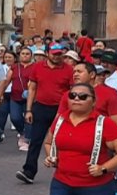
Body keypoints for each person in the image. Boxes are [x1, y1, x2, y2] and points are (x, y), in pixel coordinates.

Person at [17, 44, 75, 185]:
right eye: (54, 54)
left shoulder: (69, 70)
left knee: (63, 141)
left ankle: (67, 172)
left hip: (61, 109)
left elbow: (73, 91)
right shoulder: (38, 67)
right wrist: (29, 110)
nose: (57, 56)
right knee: (36, 140)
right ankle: (29, 171)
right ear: (48, 53)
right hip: (41, 107)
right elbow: (32, 89)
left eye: (59, 54)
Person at [4, 47, 33, 151]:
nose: (25, 56)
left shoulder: (35, 67)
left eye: (27, 54)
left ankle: (27, 140)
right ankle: (22, 132)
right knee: (14, 118)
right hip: (15, 96)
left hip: (30, 97)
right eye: (23, 53)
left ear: (31, 56)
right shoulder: (14, 67)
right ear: (19, 56)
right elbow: (6, 81)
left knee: (28, 119)